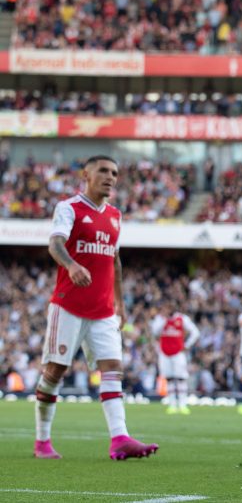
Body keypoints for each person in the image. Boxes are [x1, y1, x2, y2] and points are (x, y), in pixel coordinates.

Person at [35, 155, 158, 460]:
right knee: (55, 371)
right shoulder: (69, 208)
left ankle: (119, 439)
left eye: (115, 173)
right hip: (68, 306)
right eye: (103, 171)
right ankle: (42, 442)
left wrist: (119, 301)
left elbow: (115, 261)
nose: (110, 177)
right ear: (86, 174)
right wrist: (71, 264)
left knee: (113, 369)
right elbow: (55, 244)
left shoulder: (115, 215)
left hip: (103, 311)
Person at [151, 303, 200, 415]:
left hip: (178, 353)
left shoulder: (182, 318)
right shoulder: (160, 319)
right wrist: (164, 319)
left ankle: (183, 404)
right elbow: (155, 331)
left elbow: (195, 332)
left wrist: (187, 345)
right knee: (169, 378)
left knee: (181, 378)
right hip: (164, 353)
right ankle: (172, 404)